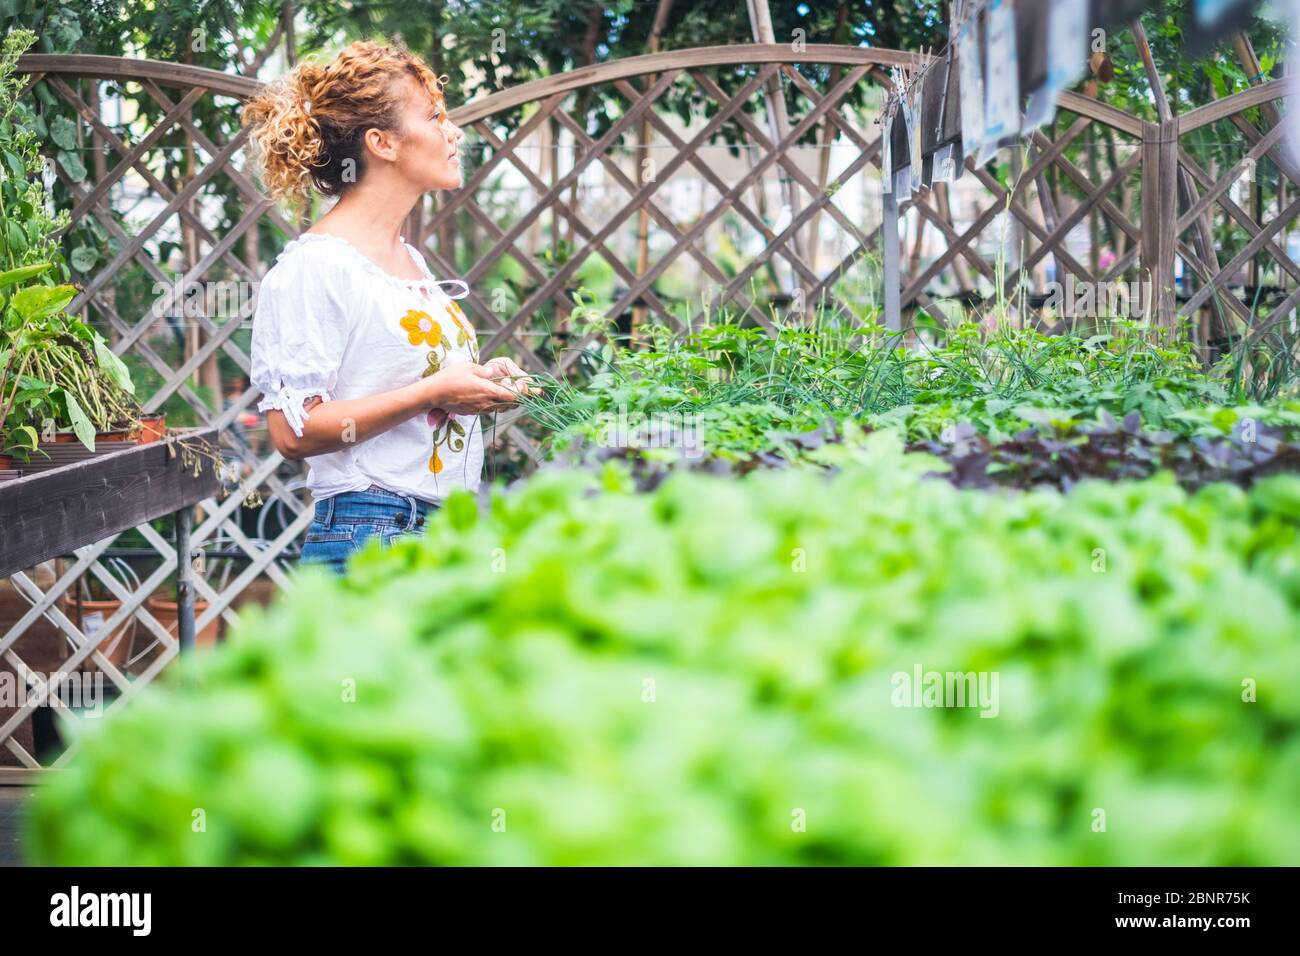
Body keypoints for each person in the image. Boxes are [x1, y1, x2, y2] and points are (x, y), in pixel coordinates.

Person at [243, 39, 533, 575]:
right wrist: (434, 391)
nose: (454, 131)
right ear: (382, 143)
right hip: (373, 534)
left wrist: (478, 380)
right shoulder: (317, 267)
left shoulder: (409, 261)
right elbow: (292, 432)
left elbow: (399, 380)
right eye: (435, 116)